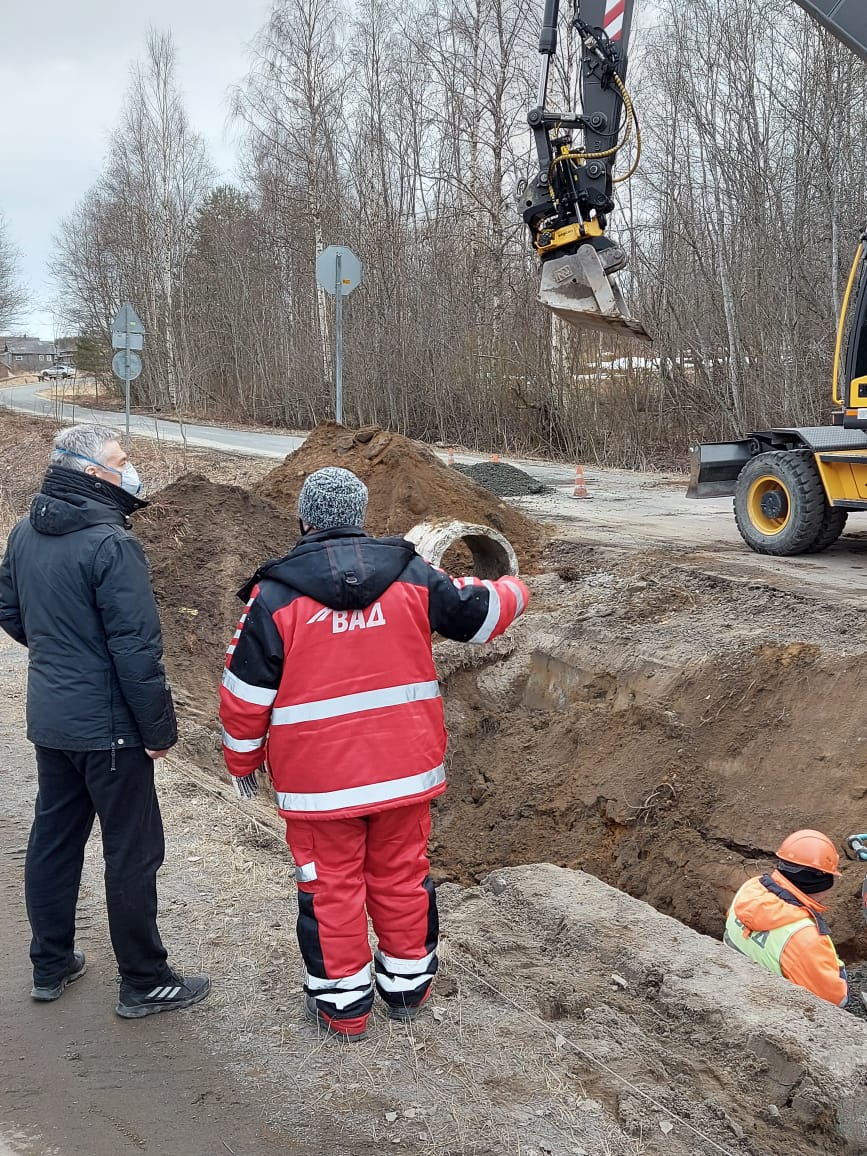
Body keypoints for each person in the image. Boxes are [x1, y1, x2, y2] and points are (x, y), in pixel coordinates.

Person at [220, 465, 530, 1041]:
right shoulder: (410, 573)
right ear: (360, 517)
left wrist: (242, 764)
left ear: (305, 519)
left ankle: (344, 1011)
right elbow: (481, 614)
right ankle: (407, 991)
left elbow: (243, 698)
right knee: (402, 878)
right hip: (404, 776)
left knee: (330, 889)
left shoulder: (274, 595)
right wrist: (517, 586)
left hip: (319, 789)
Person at [0, 424, 209, 1019]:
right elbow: (137, 650)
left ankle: (50, 962)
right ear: (93, 473)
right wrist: (159, 731)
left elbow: (9, 609)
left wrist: (60, 653)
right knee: (133, 851)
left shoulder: (23, 530)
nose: (131, 466)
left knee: (55, 839)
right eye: (122, 459)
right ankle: (144, 980)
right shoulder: (110, 543)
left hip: (53, 719)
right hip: (111, 728)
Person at [724, 828, 848, 1006]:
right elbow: (837, 999)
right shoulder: (805, 937)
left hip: (730, 981)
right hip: (771, 1009)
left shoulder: (750, 887)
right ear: (823, 879)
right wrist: (839, 970)